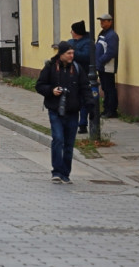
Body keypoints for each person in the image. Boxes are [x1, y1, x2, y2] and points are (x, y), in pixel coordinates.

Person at [36, 41, 94, 183]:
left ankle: (65, 173)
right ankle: (56, 171)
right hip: (55, 110)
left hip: (73, 111)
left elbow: (85, 88)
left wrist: (90, 105)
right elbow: (39, 85)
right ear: (61, 54)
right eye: (68, 53)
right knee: (58, 139)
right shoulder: (50, 67)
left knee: (69, 144)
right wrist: (51, 91)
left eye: (73, 53)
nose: (71, 56)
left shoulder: (77, 69)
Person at [67, 21, 94, 133]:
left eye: (72, 30)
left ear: (77, 32)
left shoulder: (88, 43)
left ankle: (83, 124)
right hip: (70, 75)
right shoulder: (71, 42)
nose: (71, 32)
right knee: (72, 99)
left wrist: (73, 53)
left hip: (83, 75)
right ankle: (71, 123)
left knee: (83, 101)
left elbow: (86, 57)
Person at [95, 13, 119, 118]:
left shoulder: (112, 35)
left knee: (110, 89)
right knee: (105, 88)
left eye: (104, 21)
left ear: (110, 22)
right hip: (101, 66)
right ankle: (106, 109)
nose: (101, 23)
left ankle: (111, 110)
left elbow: (111, 52)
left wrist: (100, 60)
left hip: (108, 67)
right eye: (101, 21)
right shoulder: (103, 33)